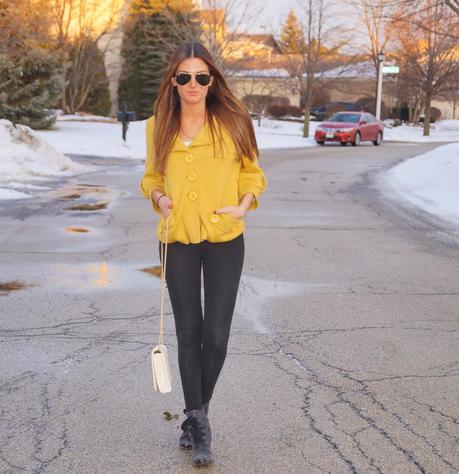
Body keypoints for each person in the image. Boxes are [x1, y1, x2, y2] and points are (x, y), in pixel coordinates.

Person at [140, 41, 267, 468]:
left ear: (212, 80)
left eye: (200, 76)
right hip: (177, 237)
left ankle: (196, 412)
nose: (192, 84)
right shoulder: (159, 124)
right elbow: (151, 176)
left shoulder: (234, 120)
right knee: (188, 332)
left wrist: (244, 204)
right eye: (184, 77)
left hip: (225, 235)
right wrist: (158, 197)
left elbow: (253, 172)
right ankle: (200, 426)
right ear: (173, 81)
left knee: (216, 336)